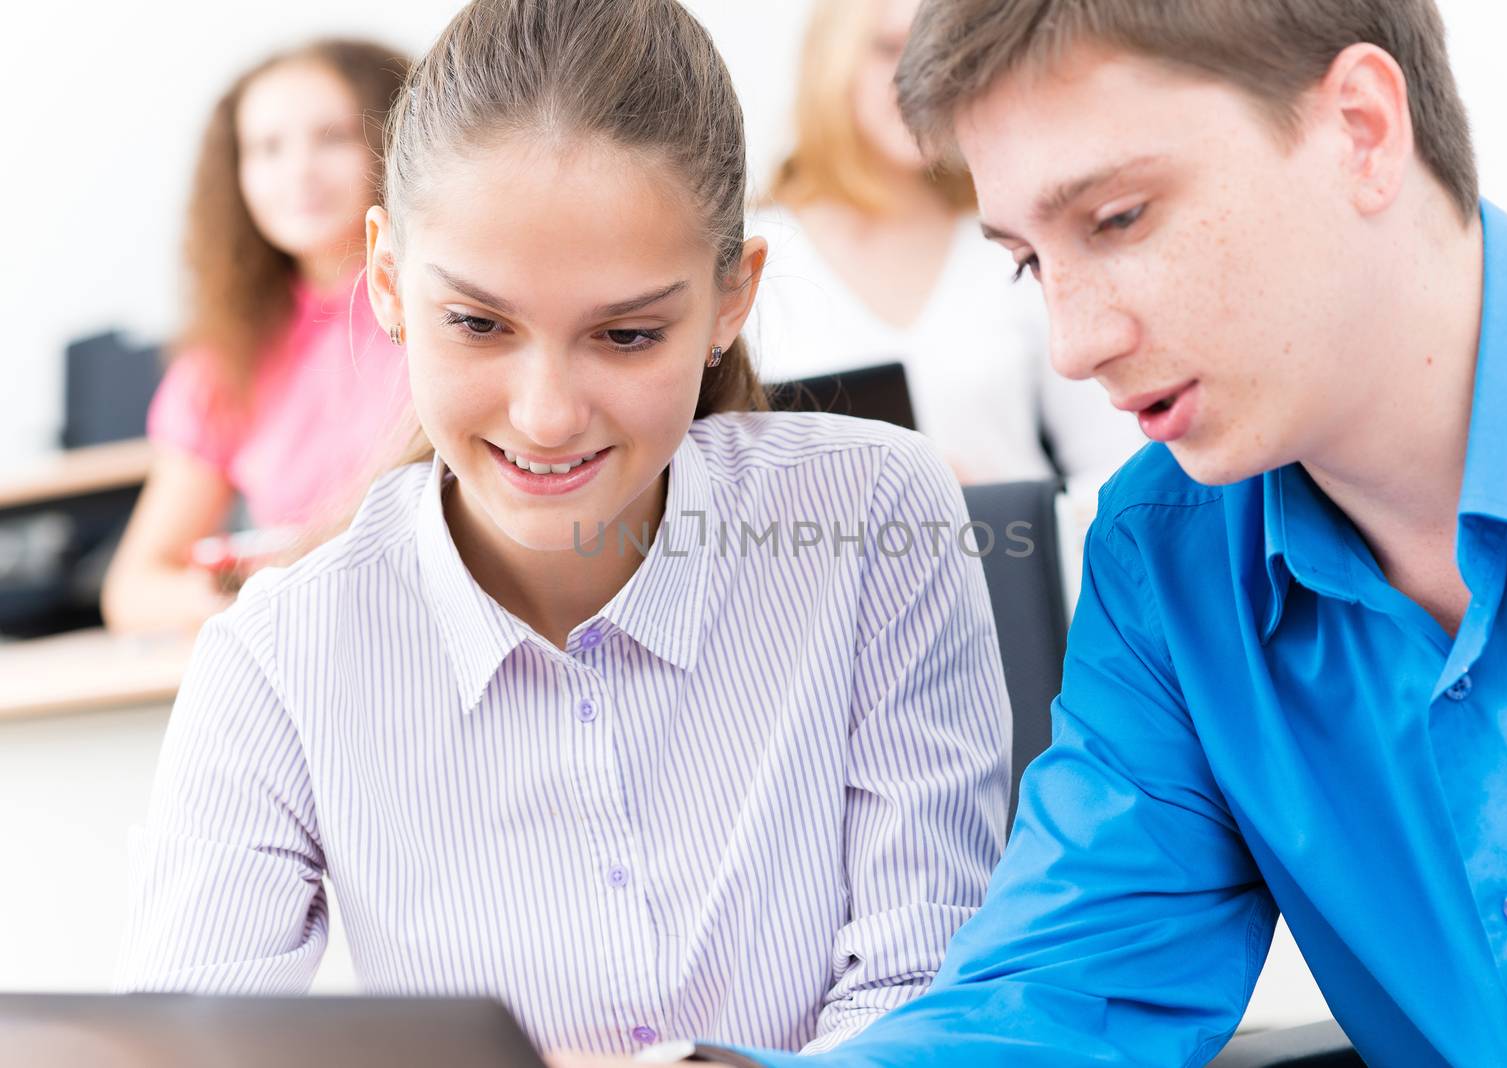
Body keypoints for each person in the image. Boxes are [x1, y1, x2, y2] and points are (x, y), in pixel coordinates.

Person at [554, 0, 1507, 1066]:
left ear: (1360, 129)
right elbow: (1062, 994)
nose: (1073, 342)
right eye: (1024, 261)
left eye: (1118, 219)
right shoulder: (1168, 557)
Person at [115, 0, 1010, 1059]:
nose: (544, 416)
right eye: (478, 324)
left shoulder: (874, 519)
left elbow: (922, 994)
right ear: (390, 282)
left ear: (733, 298)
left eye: (626, 335)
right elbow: (190, 1049)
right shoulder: (280, 655)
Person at [750, 0, 1141, 488]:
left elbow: (1114, 465)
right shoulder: (755, 258)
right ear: (831, 65)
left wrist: (997, 512)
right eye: (889, 48)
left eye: (937, 49)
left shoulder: (1014, 242)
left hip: (1015, 552)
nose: (919, 73)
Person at [100, 40, 412, 634]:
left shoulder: (458, 310)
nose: (299, 172)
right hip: (305, 642)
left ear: (396, 141)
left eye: (333, 137)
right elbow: (134, 587)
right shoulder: (223, 360)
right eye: (267, 149)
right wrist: (252, 606)